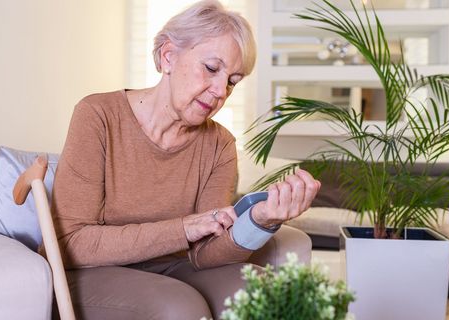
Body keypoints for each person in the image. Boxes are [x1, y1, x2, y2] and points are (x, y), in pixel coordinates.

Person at [51, 1, 321, 319]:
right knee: (179, 307)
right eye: (211, 68)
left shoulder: (220, 144)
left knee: (272, 294)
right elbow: (71, 243)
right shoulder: (98, 115)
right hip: (93, 273)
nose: (221, 90)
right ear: (169, 56)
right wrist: (182, 229)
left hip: (175, 270)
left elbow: (204, 254)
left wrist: (260, 220)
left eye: (233, 80)